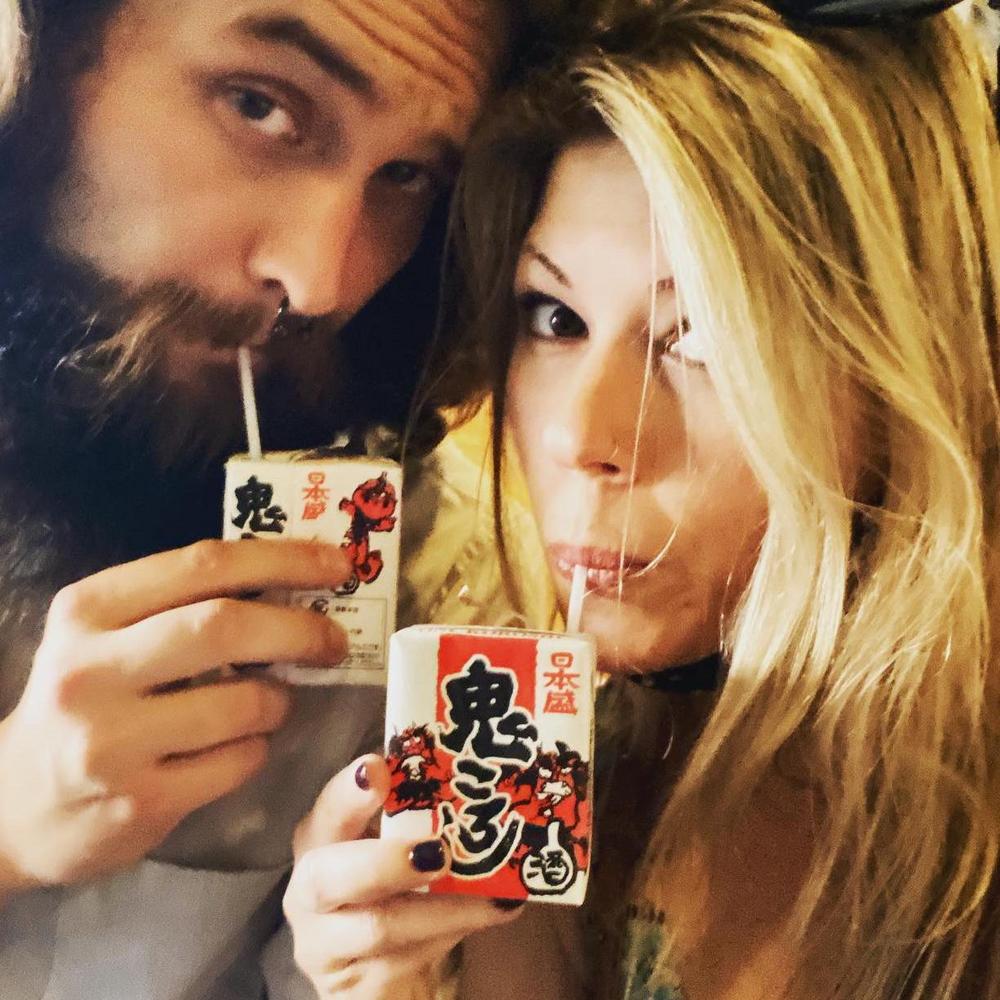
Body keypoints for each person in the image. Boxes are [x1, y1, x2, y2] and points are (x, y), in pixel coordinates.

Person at [300, 1, 1000, 997]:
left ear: (903, 370)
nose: (579, 439)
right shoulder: (549, 765)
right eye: (554, 316)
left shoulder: (959, 846)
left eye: (701, 336)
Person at [0, 1, 530, 997]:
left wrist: (367, 965)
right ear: (42, 55)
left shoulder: (394, 565)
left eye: (406, 177)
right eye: (260, 106)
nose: (321, 281)